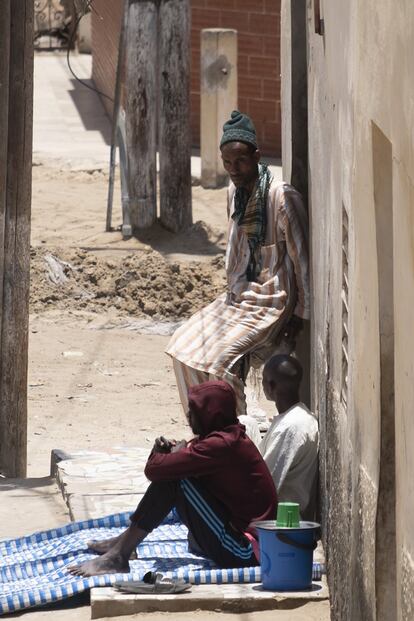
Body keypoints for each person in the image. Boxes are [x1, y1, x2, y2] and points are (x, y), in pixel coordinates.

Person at [166, 110, 309, 418]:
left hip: (268, 306)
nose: (234, 170)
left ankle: (235, 439)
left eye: (241, 161)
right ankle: (204, 430)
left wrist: (300, 315)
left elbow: (302, 261)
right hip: (234, 301)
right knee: (181, 348)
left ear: (257, 155)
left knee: (221, 363)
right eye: (228, 163)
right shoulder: (233, 191)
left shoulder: (281, 197)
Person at [68, 380, 277, 576]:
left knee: (178, 481)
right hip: (245, 541)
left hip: (245, 551)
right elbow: (187, 455)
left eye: (193, 410)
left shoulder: (221, 445)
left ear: (208, 414)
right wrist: (177, 455)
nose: (188, 415)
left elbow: (155, 471)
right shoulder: (227, 437)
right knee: (178, 476)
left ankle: (119, 555)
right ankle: (123, 545)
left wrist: (160, 454)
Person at [259, 354, 319, 520]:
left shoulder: (290, 427)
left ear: (271, 386)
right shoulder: (298, 416)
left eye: (263, 380)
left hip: (282, 521)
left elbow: (264, 485)